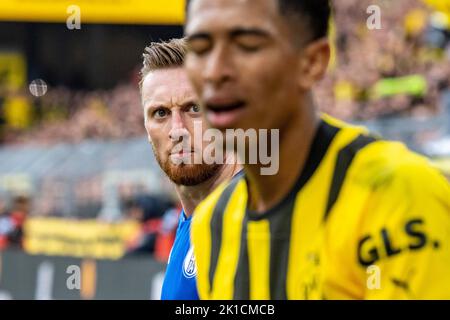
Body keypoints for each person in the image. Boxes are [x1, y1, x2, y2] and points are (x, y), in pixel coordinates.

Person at [184, 0, 450, 299]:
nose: (215, 71)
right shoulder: (212, 224)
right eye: (200, 48)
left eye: (247, 45)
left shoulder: (397, 193)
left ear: (313, 62)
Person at [139, 38, 241, 300]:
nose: (177, 130)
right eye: (160, 113)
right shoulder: (191, 222)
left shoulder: (253, 222)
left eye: (194, 108)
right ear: (147, 130)